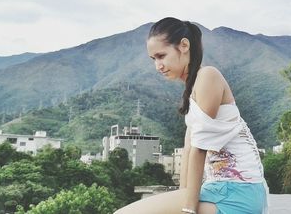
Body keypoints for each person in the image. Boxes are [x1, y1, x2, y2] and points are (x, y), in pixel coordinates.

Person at [114, 17, 268, 214]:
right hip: (220, 189)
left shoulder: (208, 76)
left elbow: (199, 149)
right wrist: (183, 197)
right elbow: (188, 150)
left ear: (184, 45)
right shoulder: (192, 89)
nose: (158, 66)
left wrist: (188, 209)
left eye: (161, 56)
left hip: (237, 191)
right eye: (154, 59)